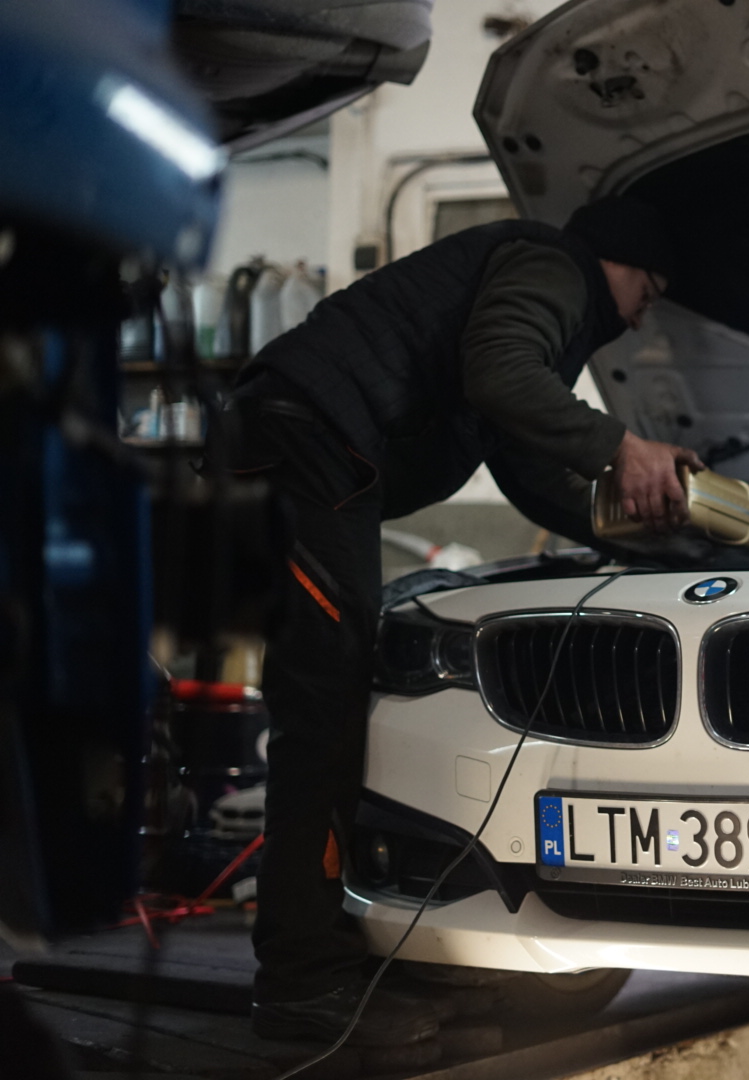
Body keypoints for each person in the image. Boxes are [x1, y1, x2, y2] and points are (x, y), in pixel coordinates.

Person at [227, 196, 700, 1045]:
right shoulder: (552, 267)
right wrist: (623, 448)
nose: (638, 319)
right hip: (306, 448)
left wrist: (662, 540)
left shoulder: (531, 314)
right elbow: (501, 377)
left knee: (331, 707)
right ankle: (302, 981)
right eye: (648, 292)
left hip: (310, 454)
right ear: (616, 261)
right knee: (324, 713)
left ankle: (346, 956)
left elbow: (529, 467)